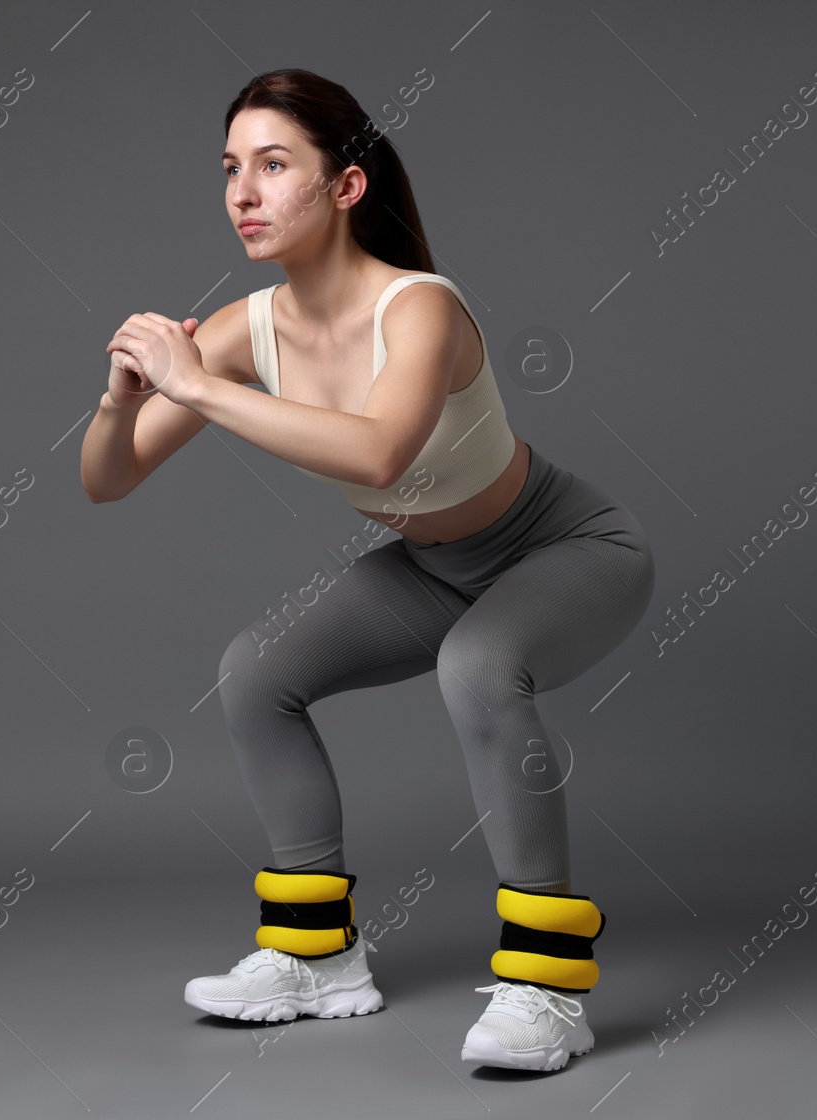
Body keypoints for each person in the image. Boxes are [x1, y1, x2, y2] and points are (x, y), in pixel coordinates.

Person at [81, 68, 654, 1073]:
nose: (243, 193)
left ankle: (546, 986)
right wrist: (123, 400)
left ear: (345, 187)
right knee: (256, 672)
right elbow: (108, 479)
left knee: (477, 668)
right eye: (229, 169)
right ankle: (317, 956)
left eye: (273, 165)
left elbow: (377, 453)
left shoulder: (419, 308)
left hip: (565, 547)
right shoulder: (242, 331)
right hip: (434, 566)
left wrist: (197, 389)